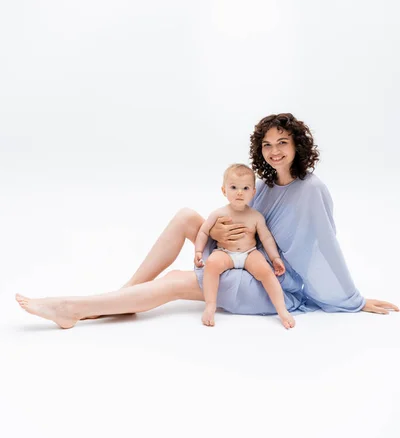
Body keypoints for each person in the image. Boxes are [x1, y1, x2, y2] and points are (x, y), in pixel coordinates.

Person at [16, 113, 399, 328]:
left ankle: (75, 308)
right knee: (187, 217)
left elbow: (327, 247)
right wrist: (215, 229)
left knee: (173, 283)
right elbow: (246, 216)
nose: (274, 151)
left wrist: (354, 299)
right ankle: (123, 296)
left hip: (272, 280)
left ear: (298, 145)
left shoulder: (311, 189)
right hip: (242, 252)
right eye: (267, 144)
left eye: (283, 142)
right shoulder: (265, 184)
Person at [194, 163, 295, 329]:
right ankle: (210, 306)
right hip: (225, 252)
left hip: (249, 253)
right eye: (233, 187)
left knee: (267, 272)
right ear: (224, 190)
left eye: (246, 188)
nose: (239, 192)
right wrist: (198, 250)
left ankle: (282, 310)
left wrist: (275, 258)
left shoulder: (255, 216)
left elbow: (267, 238)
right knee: (211, 264)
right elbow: (204, 232)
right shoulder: (219, 213)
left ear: (253, 192)